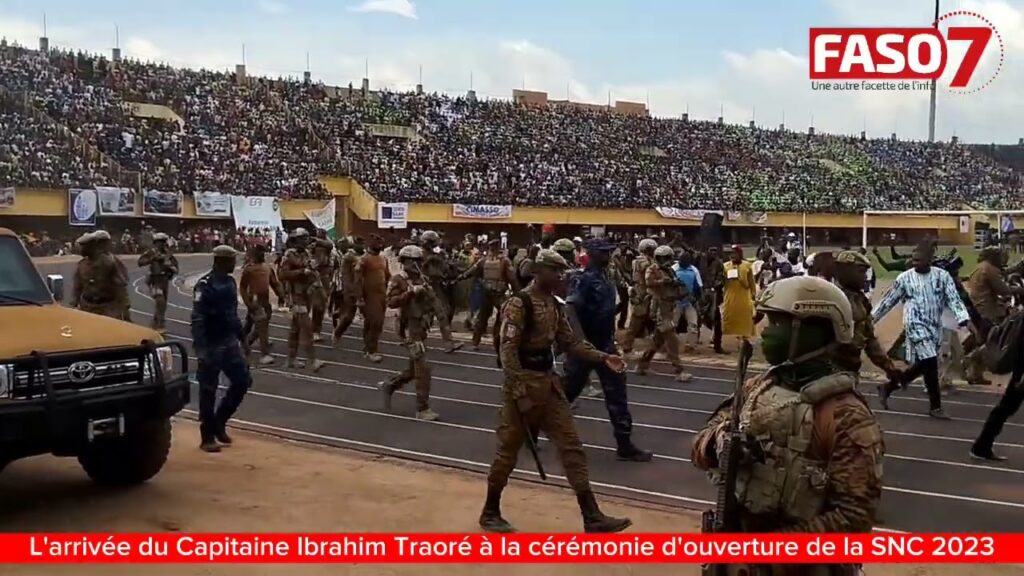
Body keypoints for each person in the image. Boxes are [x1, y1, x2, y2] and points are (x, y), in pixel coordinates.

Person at [691, 277, 883, 574]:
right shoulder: (758, 387)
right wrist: (719, 444)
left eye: (777, 323)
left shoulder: (845, 415)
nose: (766, 331)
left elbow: (854, 518)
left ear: (811, 331)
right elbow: (701, 443)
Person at [479, 249, 632, 534]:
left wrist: (603, 357)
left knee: (572, 448)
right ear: (540, 272)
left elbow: (570, 342)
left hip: (548, 384)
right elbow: (508, 351)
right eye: (556, 271)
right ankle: (490, 510)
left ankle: (592, 515)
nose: (561, 276)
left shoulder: (554, 304)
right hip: (523, 386)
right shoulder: (519, 303)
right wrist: (520, 393)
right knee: (507, 452)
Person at [564, 238, 652, 461]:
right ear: (592, 254)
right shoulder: (582, 279)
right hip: (586, 347)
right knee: (565, 394)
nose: (608, 256)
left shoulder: (607, 277)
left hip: (606, 345)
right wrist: (580, 341)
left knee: (617, 396)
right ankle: (533, 429)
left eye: (609, 252)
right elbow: (571, 309)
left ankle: (625, 443)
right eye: (603, 252)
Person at [872, 245, 969, 418]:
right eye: (913, 260)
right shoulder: (905, 278)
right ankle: (935, 407)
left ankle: (889, 387)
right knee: (930, 362)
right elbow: (888, 301)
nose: (914, 263)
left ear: (929, 261)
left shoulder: (942, 277)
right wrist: (871, 320)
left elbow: (954, 299)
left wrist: (963, 317)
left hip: (934, 325)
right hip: (914, 324)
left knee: (925, 364)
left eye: (919, 260)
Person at [191, 246, 252, 453]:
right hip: (211, 342)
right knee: (208, 389)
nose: (234, 264)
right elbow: (197, 319)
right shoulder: (205, 285)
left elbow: (233, 315)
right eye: (231, 260)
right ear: (220, 261)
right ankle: (207, 435)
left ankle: (219, 422)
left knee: (243, 380)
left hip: (228, 341)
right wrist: (201, 350)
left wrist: (243, 339)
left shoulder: (230, 282)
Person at [380, 245, 440, 421]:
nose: (417, 265)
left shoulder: (422, 279)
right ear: (405, 262)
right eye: (414, 261)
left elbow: (430, 303)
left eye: (418, 262)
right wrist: (410, 293)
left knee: (413, 371)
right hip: (408, 329)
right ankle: (422, 408)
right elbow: (390, 302)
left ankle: (390, 385)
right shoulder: (398, 280)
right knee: (424, 369)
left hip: (421, 328)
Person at [832, 250, 903, 382]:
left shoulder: (861, 301)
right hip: (828, 370)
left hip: (850, 368)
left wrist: (888, 367)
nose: (865, 277)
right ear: (846, 272)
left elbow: (869, 339)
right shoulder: (829, 298)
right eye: (861, 272)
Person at [965, 246, 1024, 385]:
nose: (1004, 258)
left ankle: (973, 371)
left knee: (982, 339)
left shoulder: (982, 267)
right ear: (993, 257)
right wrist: (1020, 289)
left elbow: (1002, 275)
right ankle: (971, 360)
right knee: (994, 340)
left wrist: (1014, 269)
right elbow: (1004, 290)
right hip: (988, 311)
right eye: (1001, 256)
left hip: (978, 308)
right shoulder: (989, 270)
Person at [637, 245, 692, 381]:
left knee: (657, 340)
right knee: (671, 339)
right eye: (662, 258)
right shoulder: (652, 269)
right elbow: (649, 282)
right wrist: (665, 281)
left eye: (667, 257)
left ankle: (642, 365)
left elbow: (676, 285)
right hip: (659, 306)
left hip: (669, 306)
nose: (665, 260)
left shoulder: (669, 270)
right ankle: (679, 370)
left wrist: (678, 287)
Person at [457, 239, 519, 350]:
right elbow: (512, 278)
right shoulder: (504, 261)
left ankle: (475, 342)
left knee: (482, 317)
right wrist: (517, 292)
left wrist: (460, 277)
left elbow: (472, 271)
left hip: (486, 291)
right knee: (501, 318)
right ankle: (497, 343)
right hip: (498, 293)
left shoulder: (484, 260)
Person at [277, 228, 326, 371]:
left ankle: (291, 359)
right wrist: (302, 272)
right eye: (303, 238)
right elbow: (282, 274)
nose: (306, 241)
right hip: (296, 296)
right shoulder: (289, 255)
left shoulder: (306, 254)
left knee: (295, 329)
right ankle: (312, 360)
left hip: (306, 294)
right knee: (306, 327)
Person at [239, 242, 284, 365]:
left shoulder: (267, 268)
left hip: (265, 302)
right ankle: (264, 354)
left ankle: (245, 342)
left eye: (263, 252)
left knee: (252, 325)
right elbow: (243, 287)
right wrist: (248, 303)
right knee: (262, 326)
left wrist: (281, 295)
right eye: (259, 252)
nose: (261, 254)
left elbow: (274, 283)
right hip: (254, 301)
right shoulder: (249, 269)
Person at [419, 230, 463, 354]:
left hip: (437, 286)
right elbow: (418, 270)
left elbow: (444, 270)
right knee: (425, 317)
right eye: (433, 243)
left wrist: (445, 262)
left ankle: (449, 343)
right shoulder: (419, 255)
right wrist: (430, 260)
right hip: (425, 287)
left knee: (442, 315)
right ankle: (418, 341)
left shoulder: (437, 255)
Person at [71, 232, 129, 320]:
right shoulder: (82, 264)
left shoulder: (109, 263)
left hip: (108, 307)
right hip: (87, 306)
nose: (81, 249)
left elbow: (120, 286)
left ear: (93, 246)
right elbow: (77, 286)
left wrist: (125, 308)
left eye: (84, 246)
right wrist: (74, 303)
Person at [621, 238, 657, 354]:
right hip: (644, 293)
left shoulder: (638, 260)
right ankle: (627, 346)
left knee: (648, 321)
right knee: (637, 321)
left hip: (643, 292)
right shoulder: (644, 262)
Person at [138, 232, 178, 331]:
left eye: (164, 241)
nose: (162, 244)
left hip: (165, 280)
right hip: (154, 280)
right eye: (160, 242)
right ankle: (159, 325)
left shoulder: (168, 254)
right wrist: (152, 259)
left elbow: (176, 268)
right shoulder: (151, 252)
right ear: (155, 243)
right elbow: (140, 262)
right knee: (160, 302)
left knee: (163, 304)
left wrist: (169, 267)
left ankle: (156, 322)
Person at [359, 234, 391, 363]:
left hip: (381, 295)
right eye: (376, 243)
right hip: (369, 296)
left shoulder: (383, 259)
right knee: (374, 322)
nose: (379, 245)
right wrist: (359, 297)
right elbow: (357, 280)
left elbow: (387, 275)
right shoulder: (364, 259)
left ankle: (368, 347)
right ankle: (371, 350)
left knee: (375, 323)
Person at [331, 237, 364, 347]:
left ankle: (370, 344)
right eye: (359, 243)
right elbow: (345, 275)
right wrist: (351, 290)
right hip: (349, 290)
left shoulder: (364, 255)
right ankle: (337, 332)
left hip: (364, 289)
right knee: (349, 316)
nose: (362, 245)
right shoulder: (349, 257)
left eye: (363, 243)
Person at [721, 245, 757, 344]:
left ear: (740, 254)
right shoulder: (725, 266)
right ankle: (730, 337)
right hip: (730, 295)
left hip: (744, 296)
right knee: (729, 315)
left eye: (735, 253)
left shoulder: (747, 265)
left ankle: (745, 336)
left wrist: (754, 294)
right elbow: (722, 281)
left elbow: (751, 282)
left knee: (745, 316)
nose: (733, 255)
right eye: (731, 253)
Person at [674, 251, 702, 352]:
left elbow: (698, 287)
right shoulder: (674, 269)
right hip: (676, 301)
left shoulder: (694, 270)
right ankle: (672, 344)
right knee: (673, 324)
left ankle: (692, 345)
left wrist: (697, 299)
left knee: (693, 324)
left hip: (690, 301)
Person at [309, 235, 335, 343]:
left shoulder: (326, 248)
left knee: (321, 307)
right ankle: (310, 330)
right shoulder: (311, 249)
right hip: (312, 278)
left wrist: (318, 241)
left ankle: (316, 330)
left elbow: (330, 245)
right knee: (314, 306)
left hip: (325, 279)